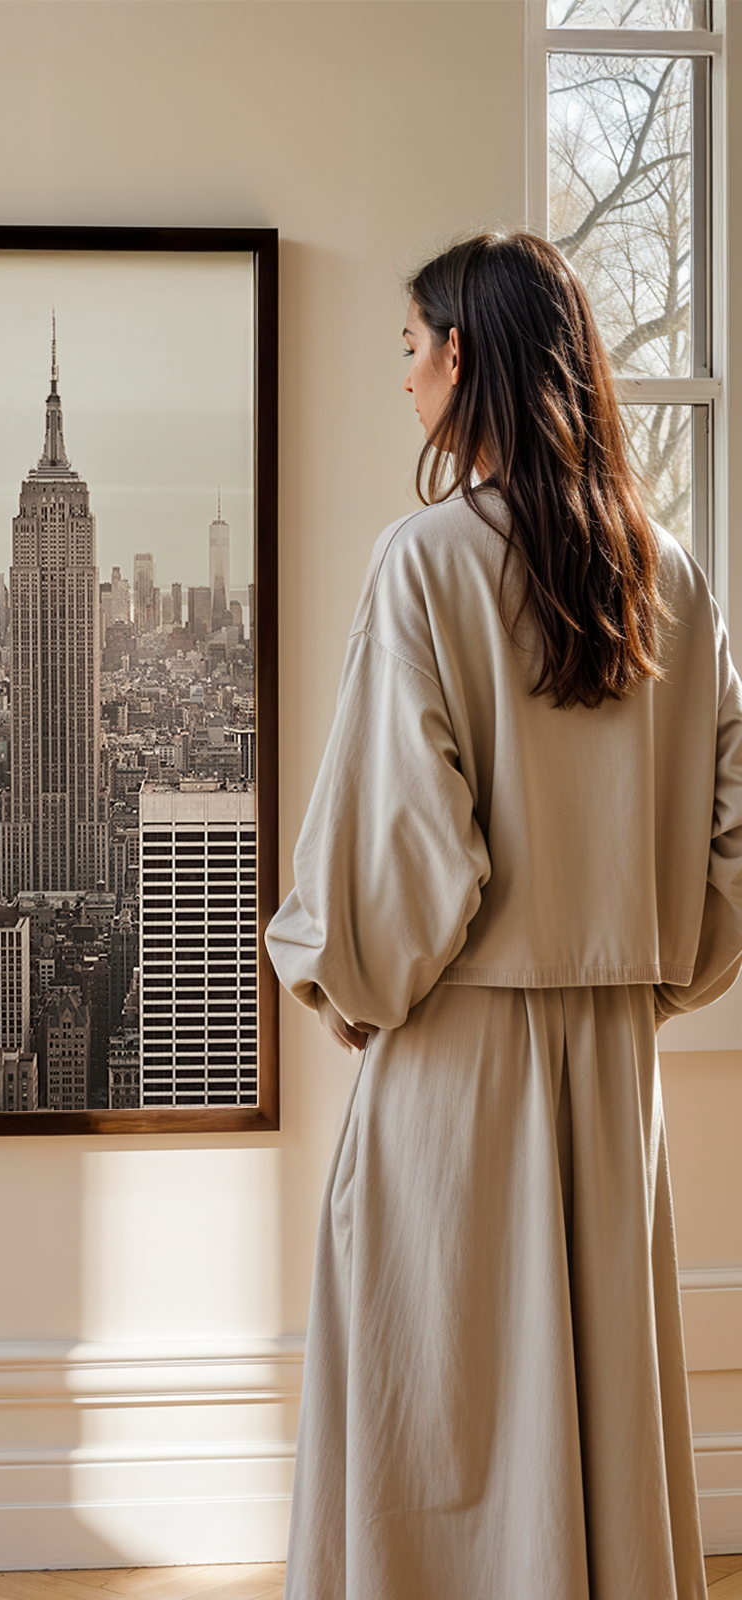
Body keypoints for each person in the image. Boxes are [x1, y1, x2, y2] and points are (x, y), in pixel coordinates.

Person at [265, 230, 742, 1600]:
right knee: (593, 1425)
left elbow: (405, 847)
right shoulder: (674, 575)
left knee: (436, 1424)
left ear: (462, 353)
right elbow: (734, 833)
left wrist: (350, 984)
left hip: (456, 1064)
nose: (405, 384)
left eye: (410, 352)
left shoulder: (423, 563)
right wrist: (643, 970)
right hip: (609, 1068)